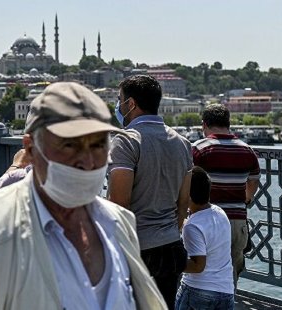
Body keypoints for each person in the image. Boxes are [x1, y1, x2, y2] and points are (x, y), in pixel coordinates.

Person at [0, 82, 166, 309]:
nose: (88, 161)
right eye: (70, 145)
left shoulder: (118, 222)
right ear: (30, 148)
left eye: (98, 145)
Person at [108, 74, 192, 308]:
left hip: (137, 250)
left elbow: (119, 204)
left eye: (120, 99)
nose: (118, 105)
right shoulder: (182, 143)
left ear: (131, 104)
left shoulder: (126, 141)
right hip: (171, 247)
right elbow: (183, 203)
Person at [192, 103, 260, 288]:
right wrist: (245, 198)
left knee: (203, 275)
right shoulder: (247, 150)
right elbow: (253, 181)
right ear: (228, 124)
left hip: (207, 220)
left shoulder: (199, 149)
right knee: (230, 276)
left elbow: (186, 182)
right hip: (237, 221)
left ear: (204, 124)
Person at [175, 166, 235, 310]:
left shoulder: (192, 226)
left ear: (187, 195)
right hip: (225, 291)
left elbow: (198, 266)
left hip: (198, 291)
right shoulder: (220, 212)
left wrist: (173, 264)